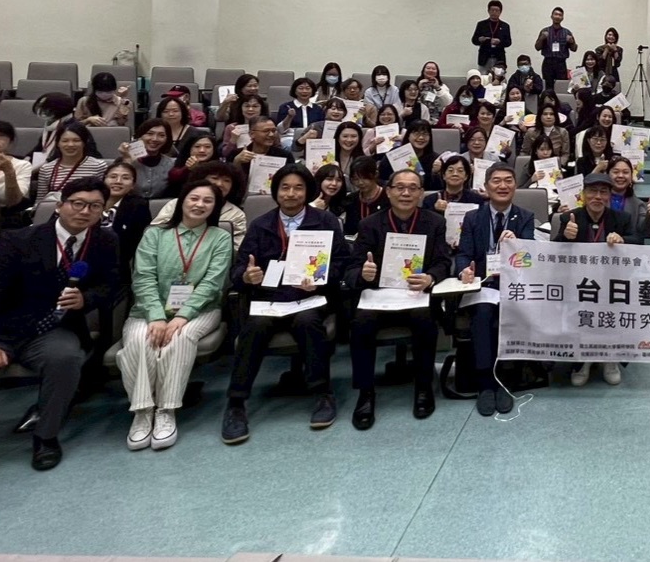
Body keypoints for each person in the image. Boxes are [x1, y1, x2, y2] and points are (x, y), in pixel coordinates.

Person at [0, 178, 118, 491]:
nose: (84, 211)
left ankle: (45, 437)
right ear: (60, 205)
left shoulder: (105, 241)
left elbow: (111, 284)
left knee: (65, 358)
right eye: (77, 203)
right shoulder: (20, 239)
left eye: (94, 206)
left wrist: (87, 299)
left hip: (54, 328)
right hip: (3, 328)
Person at [222, 164, 346, 445]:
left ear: (308, 191)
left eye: (298, 188)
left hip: (310, 297)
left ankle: (323, 393)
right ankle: (236, 403)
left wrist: (322, 280)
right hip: (270, 298)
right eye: (285, 187)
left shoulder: (325, 221)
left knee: (307, 321)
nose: (291, 193)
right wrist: (247, 276)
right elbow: (239, 268)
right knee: (254, 326)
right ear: (275, 191)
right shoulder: (260, 225)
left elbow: (342, 263)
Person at [117, 179, 233, 452]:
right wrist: (157, 316)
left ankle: (166, 411)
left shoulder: (220, 237)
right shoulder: (154, 234)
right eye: (194, 198)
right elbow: (143, 277)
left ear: (215, 207)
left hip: (200, 310)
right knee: (140, 342)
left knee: (179, 338)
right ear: (182, 201)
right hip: (148, 309)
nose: (199, 204)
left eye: (208, 201)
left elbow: (212, 283)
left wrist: (183, 316)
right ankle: (143, 411)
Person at [346, 168, 449, 428]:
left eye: (413, 188)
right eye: (400, 187)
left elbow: (443, 262)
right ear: (389, 191)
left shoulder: (435, 222)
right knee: (361, 322)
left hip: (416, 295)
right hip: (379, 295)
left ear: (421, 193)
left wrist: (431, 277)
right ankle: (365, 392)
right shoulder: (369, 225)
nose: (406, 193)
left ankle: (423, 387)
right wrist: (363, 274)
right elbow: (352, 269)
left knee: (425, 318)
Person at [454, 163, 538, 416]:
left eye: (508, 180)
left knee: (508, 311)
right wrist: (464, 271)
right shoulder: (473, 217)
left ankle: (503, 378)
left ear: (515, 185)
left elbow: (529, 259)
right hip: (482, 283)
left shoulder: (525, 216)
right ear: (486, 186)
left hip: (513, 284)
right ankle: (485, 382)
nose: (503, 186)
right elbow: (464, 253)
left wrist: (518, 245)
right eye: (497, 181)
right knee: (482, 314)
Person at [552, 172, 639, 389]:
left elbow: (638, 241)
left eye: (603, 192)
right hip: (577, 283)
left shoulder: (621, 218)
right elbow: (553, 252)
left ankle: (610, 359)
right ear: (583, 194)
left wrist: (622, 240)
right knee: (582, 314)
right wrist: (565, 237)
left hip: (611, 281)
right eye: (592, 191)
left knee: (614, 308)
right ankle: (583, 361)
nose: (598, 197)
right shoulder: (570, 218)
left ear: (609, 196)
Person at [152, 161, 249, 248]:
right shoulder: (175, 204)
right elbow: (155, 232)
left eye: (226, 180)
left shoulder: (236, 214)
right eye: (214, 178)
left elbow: (236, 248)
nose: (220, 184)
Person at [30, 122, 107, 204]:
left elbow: (102, 198)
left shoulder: (98, 166)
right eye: (65, 141)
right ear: (58, 144)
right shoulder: (46, 169)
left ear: (84, 143)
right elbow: (40, 201)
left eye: (76, 140)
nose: (70, 144)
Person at [101, 160, 153, 281]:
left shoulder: (138, 206)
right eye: (113, 176)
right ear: (104, 180)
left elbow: (138, 244)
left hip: (117, 267)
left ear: (133, 185)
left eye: (125, 178)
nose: (118, 181)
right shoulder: (91, 202)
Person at [118, 120, 175, 199]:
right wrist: (127, 160)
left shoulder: (172, 164)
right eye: (150, 134)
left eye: (161, 135)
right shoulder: (123, 160)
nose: (155, 139)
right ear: (140, 136)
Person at [607, 157, 650, 242]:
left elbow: (646, 232)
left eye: (625, 172)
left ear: (631, 176)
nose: (620, 175)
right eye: (616, 172)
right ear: (607, 174)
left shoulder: (638, 205)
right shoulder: (598, 200)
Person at [343, 156, 389, 235]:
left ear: (375, 174)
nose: (360, 182)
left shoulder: (388, 197)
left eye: (365, 178)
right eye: (356, 179)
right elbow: (349, 230)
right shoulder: (351, 200)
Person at [534, 6, 577, 83]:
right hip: (548, 62)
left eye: (560, 15)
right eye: (556, 14)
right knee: (548, 85)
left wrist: (572, 42)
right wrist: (541, 38)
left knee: (561, 85)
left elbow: (574, 49)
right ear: (551, 16)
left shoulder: (567, 32)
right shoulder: (544, 31)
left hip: (561, 63)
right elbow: (537, 47)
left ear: (562, 18)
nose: (557, 16)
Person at [472, 0, 513, 69]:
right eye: (492, 10)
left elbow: (508, 42)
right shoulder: (481, 24)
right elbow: (474, 40)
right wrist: (480, 39)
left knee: (498, 75)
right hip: (484, 58)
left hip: (499, 58)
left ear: (500, 12)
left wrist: (499, 42)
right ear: (488, 11)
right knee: (483, 75)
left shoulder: (505, 26)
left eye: (497, 10)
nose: (494, 12)